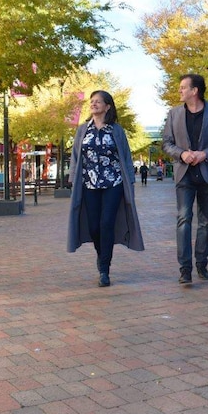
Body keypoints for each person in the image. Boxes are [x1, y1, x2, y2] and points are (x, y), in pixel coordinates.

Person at [67, 90, 144, 287]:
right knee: (94, 226)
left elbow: (125, 156)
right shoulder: (83, 130)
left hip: (114, 183)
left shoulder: (116, 130)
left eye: (98, 101)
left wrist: (130, 183)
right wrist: (72, 179)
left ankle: (104, 269)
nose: (93, 104)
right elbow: (76, 156)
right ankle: (101, 256)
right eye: (92, 101)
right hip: (89, 184)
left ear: (107, 106)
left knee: (106, 223)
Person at [162, 73, 208, 284]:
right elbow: (166, 143)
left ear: (195, 91)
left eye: (183, 87)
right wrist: (182, 154)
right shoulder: (174, 114)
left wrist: (205, 154)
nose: (179, 91)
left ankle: (202, 263)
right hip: (184, 174)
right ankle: (185, 269)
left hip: (207, 174)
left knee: (205, 222)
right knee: (183, 219)